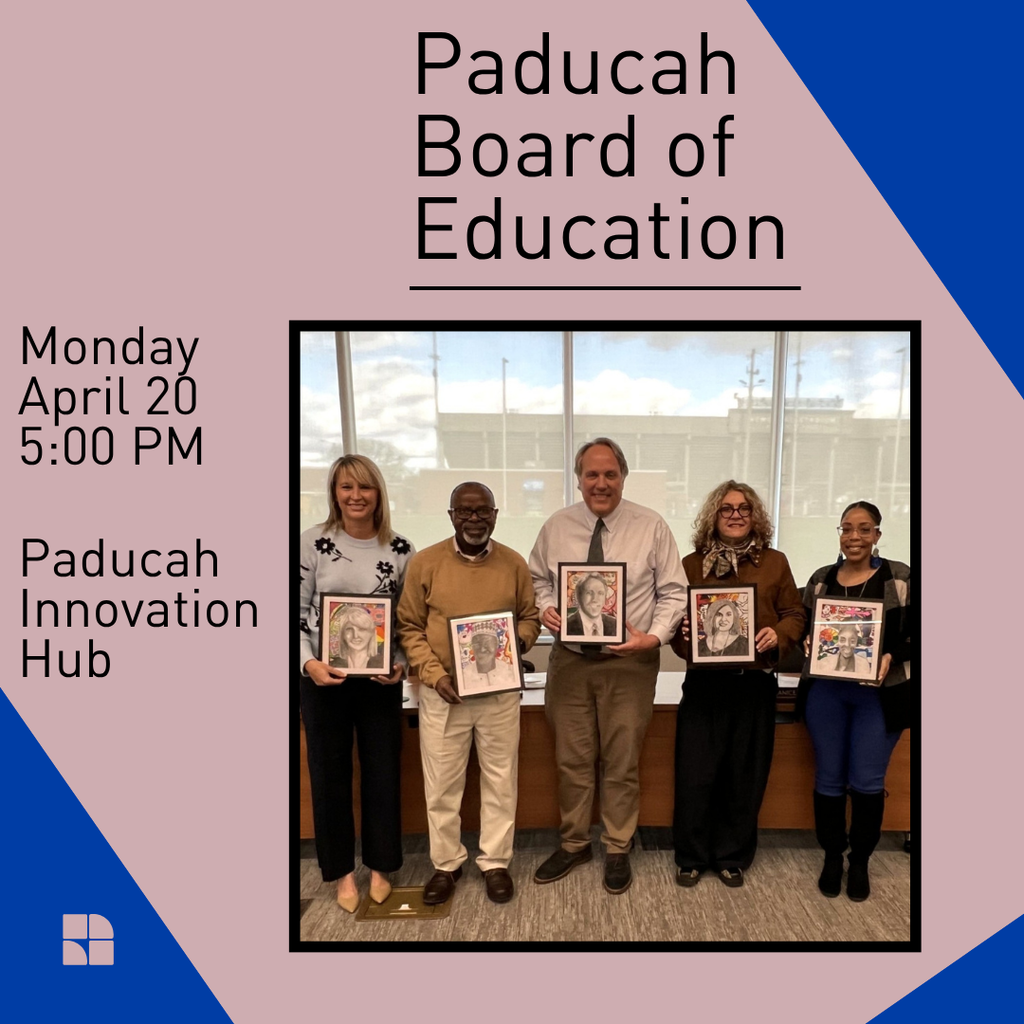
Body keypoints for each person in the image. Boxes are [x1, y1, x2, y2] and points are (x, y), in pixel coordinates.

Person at [529, 438, 687, 895]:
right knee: (572, 759)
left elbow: (675, 592)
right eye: (592, 475)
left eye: (610, 474)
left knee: (621, 761)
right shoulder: (557, 526)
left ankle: (618, 846)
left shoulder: (651, 526)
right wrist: (546, 608)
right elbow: (539, 579)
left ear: (623, 477)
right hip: (571, 663)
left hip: (630, 666)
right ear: (579, 478)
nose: (601, 483)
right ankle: (575, 842)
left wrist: (652, 637)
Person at [397, 482, 540, 905]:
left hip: (498, 696)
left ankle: (496, 862)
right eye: (465, 512)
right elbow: (408, 626)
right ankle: (446, 864)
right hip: (443, 693)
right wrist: (433, 674)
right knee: (441, 785)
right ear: (451, 515)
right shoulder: (426, 563)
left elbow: (530, 619)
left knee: (501, 781)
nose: (474, 520)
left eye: (482, 512)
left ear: (495, 514)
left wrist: (515, 646)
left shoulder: (513, 564)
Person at [671, 481, 805, 890]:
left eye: (744, 509)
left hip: (754, 686)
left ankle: (731, 856)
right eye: (727, 508)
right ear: (714, 515)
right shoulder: (692, 564)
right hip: (704, 686)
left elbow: (796, 614)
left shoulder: (775, 563)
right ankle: (692, 857)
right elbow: (676, 625)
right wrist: (685, 634)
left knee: (743, 776)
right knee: (696, 774)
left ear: (755, 516)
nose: (735, 514)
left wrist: (777, 634)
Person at [298, 454, 414, 913]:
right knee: (329, 778)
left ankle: (382, 867)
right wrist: (308, 665)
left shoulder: (401, 550)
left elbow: (406, 623)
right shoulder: (311, 543)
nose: (355, 496)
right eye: (346, 487)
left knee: (383, 773)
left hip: (379, 683)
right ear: (335, 493)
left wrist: (400, 664)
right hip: (322, 682)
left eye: (364, 487)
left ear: (378, 493)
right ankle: (343, 873)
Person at [800, 501, 912, 902]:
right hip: (827, 695)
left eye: (864, 529)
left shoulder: (901, 579)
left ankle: (860, 860)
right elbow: (803, 627)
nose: (854, 537)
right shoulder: (820, 580)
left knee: (867, 782)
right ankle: (833, 855)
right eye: (847, 528)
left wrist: (891, 654)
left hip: (879, 699)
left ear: (877, 535)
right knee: (828, 778)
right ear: (840, 533)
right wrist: (806, 641)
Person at [462, 623, 518, 692]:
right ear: (472, 647)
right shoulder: (463, 677)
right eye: (477, 643)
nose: (482, 649)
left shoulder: (511, 671)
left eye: (487, 643)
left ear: (496, 644)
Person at [329, 604, 385, 671]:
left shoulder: (382, 665)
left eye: (361, 629)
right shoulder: (332, 666)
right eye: (349, 629)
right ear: (343, 634)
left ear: (371, 634)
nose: (355, 635)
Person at [564, 572, 618, 638]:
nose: (595, 599)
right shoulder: (566, 625)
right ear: (578, 596)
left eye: (600, 593)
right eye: (589, 593)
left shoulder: (615, 624)